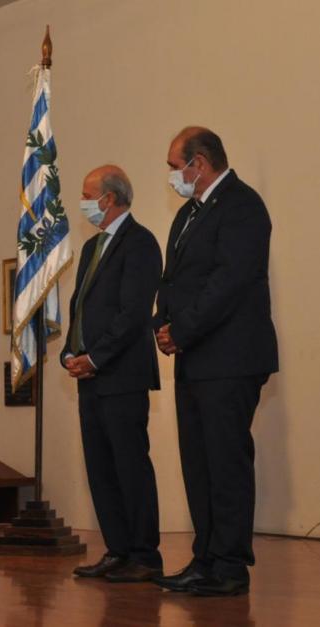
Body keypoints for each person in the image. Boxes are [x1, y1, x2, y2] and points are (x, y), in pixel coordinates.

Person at [153, 128, 278, 596]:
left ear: (199, 164)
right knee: (199, 463)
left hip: (230, 358)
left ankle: (229, 565)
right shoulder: (188, 214)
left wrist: (181, 329)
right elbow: (173, 281)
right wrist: (162, 325)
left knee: (225, 462)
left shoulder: (244, 206)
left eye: (174, 166)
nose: (172, 176)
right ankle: (205, 558)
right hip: (194, 358)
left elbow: (229, 282)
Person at [62, 165, 163, 583]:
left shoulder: (140, 243)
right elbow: (81, 307)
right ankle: (117, 550)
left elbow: (133, 314)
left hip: (122, 376)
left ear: (110, 198)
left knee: (129, 465)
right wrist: (71, 351)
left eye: (89, 194)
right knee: (100, 467)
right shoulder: (93, 246)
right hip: (90, 377)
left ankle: (143, 555)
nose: (84, 202)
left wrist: (97, 357)